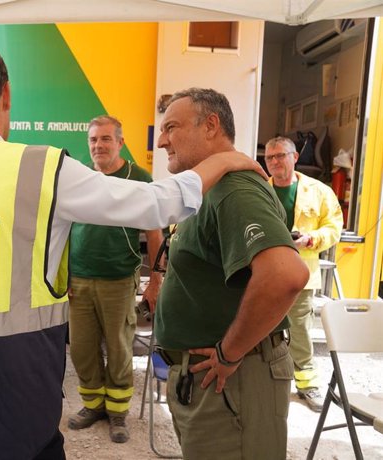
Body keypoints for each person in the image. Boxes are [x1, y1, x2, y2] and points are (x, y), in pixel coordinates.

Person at [0, 44, 266, 460]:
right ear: (6, 94)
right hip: (15, 407)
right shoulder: (39, 169)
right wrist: (222, 160)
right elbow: (156, 204)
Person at [154, 87, 310, 459]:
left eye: (171, 127)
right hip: (209, 383)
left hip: (232, 380)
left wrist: (229, 352)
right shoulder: (208, 187)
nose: (161, 141)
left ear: (211, 125)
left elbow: (285, 275)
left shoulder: (234, 187)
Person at [67, 115, 163, 443]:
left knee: (120, 350)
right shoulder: (79, 178)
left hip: (119, 280)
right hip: (78, 280)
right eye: (94, 140)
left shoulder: (139, 178)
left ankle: (118, 412)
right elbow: (62, 230)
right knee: (81, 349)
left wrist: (156, 281)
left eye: (106, 139)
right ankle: (93, 405)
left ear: (120, 142)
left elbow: (154, 232)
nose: (98, 146)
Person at [265, 136, 343, 412]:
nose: (274, 161)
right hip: (264, 274)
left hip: (301, 275)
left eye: (280, 156)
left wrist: (310, 238)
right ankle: (264, 383)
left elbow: (334, 228)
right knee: (262, 328)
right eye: (269, 157)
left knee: (299, 331)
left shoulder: (319, 191)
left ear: (295, 157)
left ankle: (307, 383)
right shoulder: (261, 189)